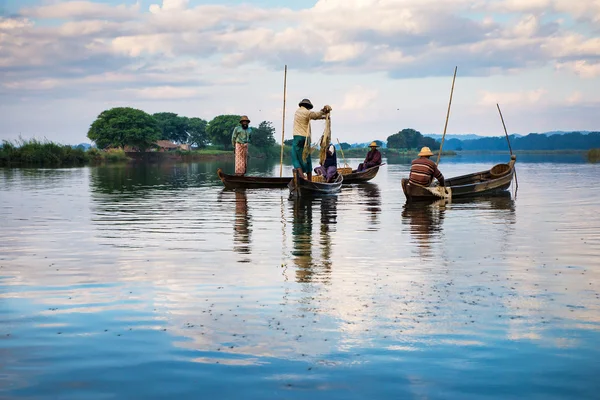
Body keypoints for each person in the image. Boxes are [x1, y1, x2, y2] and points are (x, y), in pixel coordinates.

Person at [292, 98, 331, 181]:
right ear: (308, 107)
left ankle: (302, 177)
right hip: (306, 139)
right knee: (307, 157)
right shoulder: (307, 112)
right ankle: (309, 179)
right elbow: (314, 115)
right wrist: (323, 112)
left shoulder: (297, 112)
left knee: (295, 157)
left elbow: (314, 116)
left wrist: (323, 115)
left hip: (298, 138)